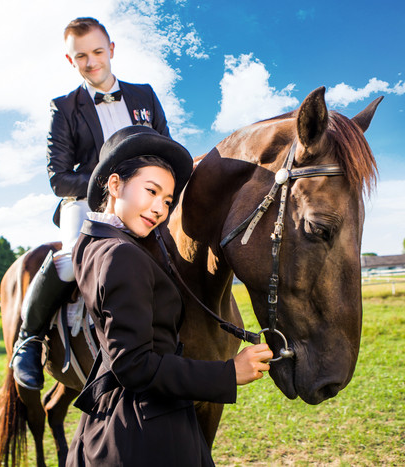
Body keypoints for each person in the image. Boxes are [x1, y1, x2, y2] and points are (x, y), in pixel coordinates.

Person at [65, 125, 273, 467]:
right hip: (147, 435)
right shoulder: (122, 255)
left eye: (167, 200)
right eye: (151, 191)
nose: (159, 208)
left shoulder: (92, 243)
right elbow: (133, 365)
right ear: (115, 185)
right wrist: (228, 373)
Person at [11, 17, 171, 390]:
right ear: (71, 61)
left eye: (98, 52)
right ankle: (29, 339)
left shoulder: (144, 95)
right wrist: (110, 187)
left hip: (145, 198)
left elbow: (165, 149)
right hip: (84, 200)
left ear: (111, 50)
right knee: (69, 260)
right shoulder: (64, 108)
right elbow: (58, 178)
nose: (91, 62)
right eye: (80, 56)